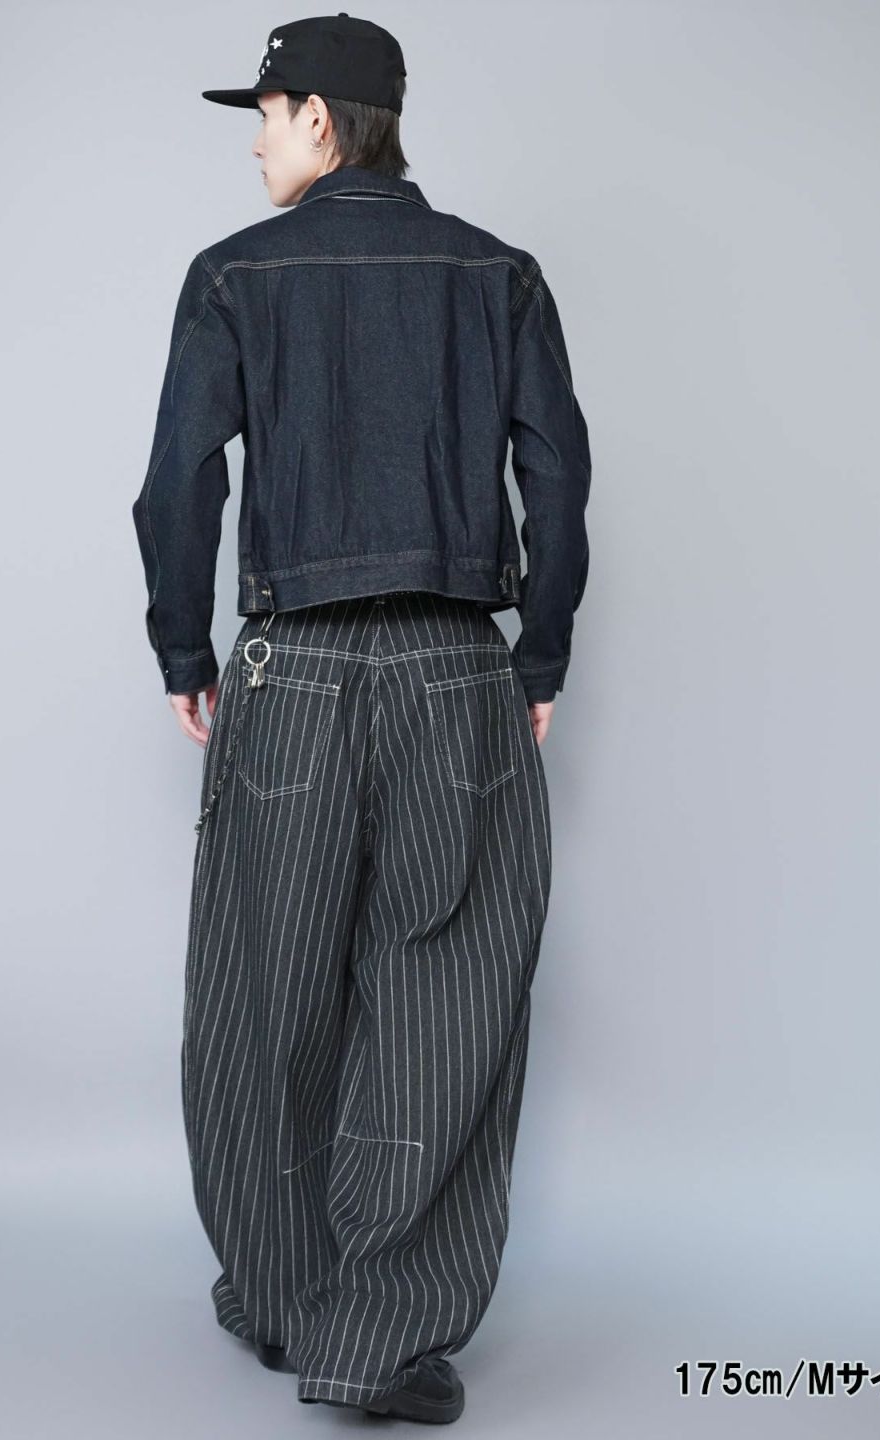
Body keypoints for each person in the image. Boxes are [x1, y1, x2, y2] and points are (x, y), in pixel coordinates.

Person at [131, 12, 592, 1425]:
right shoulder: (497, 274)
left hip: (293, 674)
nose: (257, 144)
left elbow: (177, 486)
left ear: (322, 119)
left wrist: (184, 649)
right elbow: (559, 481)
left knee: (265, 994)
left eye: (267, 115)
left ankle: (284, 1302)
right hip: (458, 671)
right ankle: (379, 1336)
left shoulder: (234, 277)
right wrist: (539, 657)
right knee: (443, 1000)